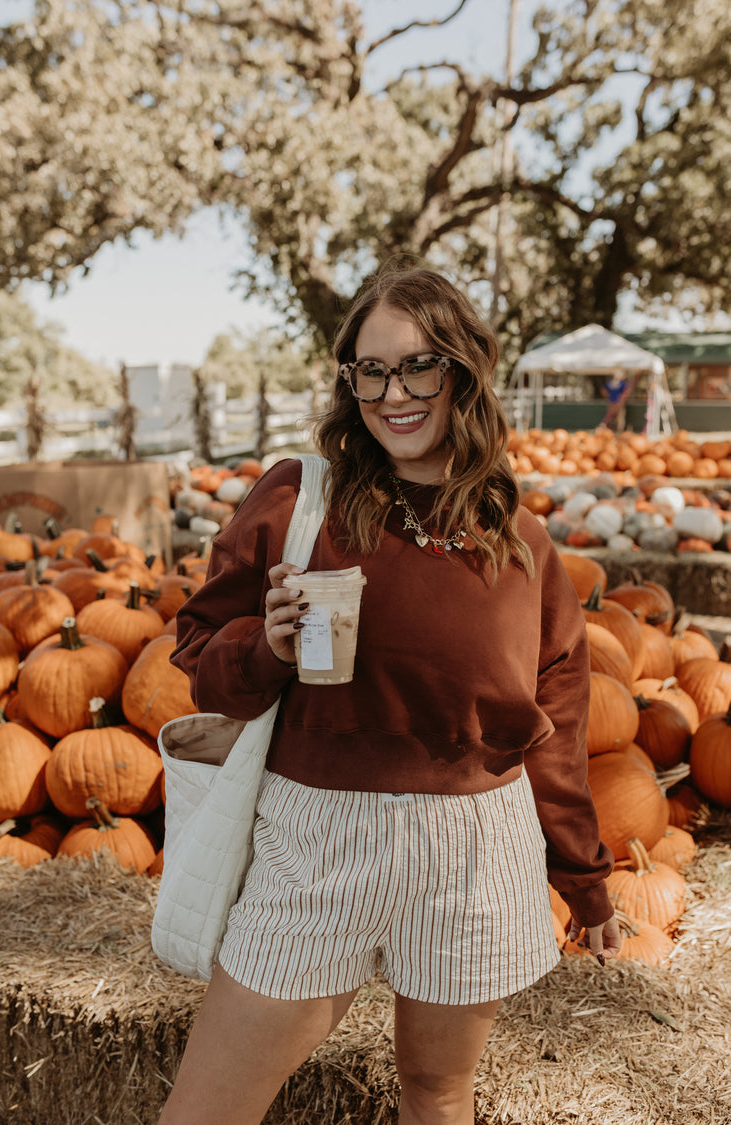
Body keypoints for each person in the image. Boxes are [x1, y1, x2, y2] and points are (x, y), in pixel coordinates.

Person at [159, 266, 621, 1125]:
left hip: (474, 848)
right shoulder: (301, 500)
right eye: (369, 370)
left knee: (436, 1094)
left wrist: (585, 878)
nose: (392, 393)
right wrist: (267, 646)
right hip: (320, 838)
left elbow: (552, 730)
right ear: (348, 381)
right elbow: (197, 657)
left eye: (418, 366)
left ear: (463, 371)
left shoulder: (521, 544)